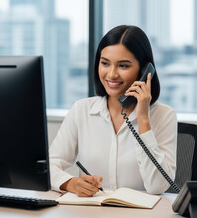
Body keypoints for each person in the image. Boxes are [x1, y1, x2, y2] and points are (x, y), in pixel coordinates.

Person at [49, 25, 177, 196]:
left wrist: (143, 120)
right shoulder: (81, 110)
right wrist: (71, 183)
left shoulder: (163, 116)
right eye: (105, 63)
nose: (111, 74)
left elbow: (157, 186)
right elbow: (48, 165)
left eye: (123, 66)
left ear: (145, 71)